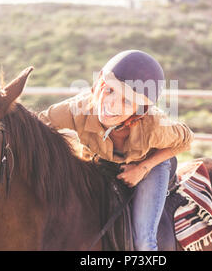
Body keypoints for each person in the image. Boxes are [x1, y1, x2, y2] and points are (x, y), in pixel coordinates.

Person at [38, 50, 194, 250]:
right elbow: (36, 127)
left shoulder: (153, 125)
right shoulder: (78, 109)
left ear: (139, 110)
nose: (110, 103)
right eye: (109, 90)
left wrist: (142, 169)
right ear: (100, 85)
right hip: (102, 162)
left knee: (143, 240)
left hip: (149, 164)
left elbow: (186, 140)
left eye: (127, 101)